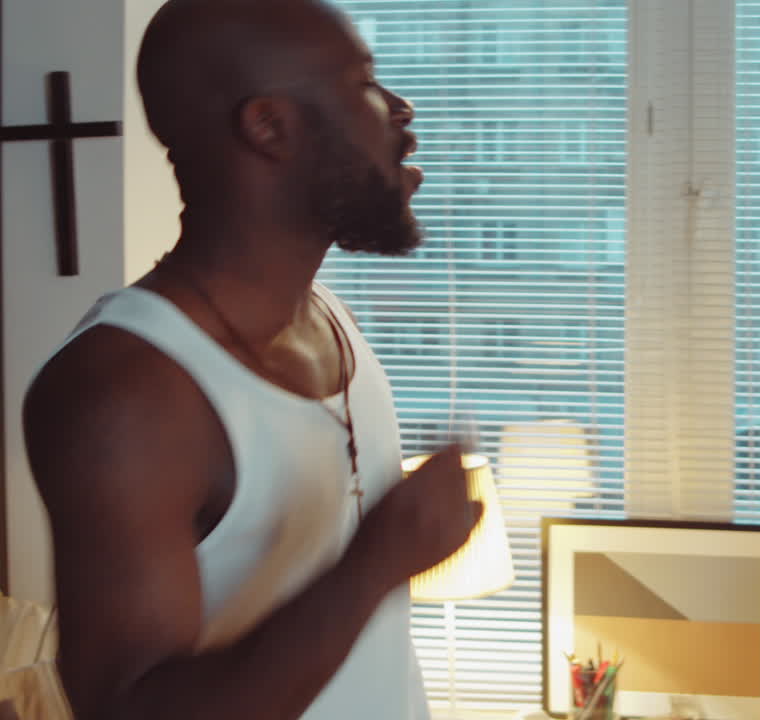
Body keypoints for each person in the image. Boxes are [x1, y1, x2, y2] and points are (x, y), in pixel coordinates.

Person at [21, 0, 483, 718]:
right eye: (362, 82)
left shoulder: (332, 320)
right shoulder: (125, 391)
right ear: (269, 126)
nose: (401, 107)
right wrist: (371, 568)